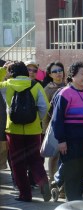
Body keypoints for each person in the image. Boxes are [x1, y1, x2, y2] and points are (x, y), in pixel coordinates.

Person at [0, 61, 50, 202]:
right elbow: (44, 106)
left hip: (13, 129)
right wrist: (36, 119)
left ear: (12, 72)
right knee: (35, 159)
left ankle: (25, 194)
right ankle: (43, 183)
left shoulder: (6, 85)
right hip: (33, 130)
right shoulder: (36, 85)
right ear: (25, 72)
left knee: (17, 162)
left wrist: (3, 71)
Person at [50, 61, 83, 201]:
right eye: (82, 74)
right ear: (73, 75)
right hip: (70, 140)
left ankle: (62, 186)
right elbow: (56, 119)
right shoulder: (65, 93)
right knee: (72, 170)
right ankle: (73, 202)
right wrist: (61, 140)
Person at [42, 61, 66, 184]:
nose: (58, 74)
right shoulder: (47, 89)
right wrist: (46, 129)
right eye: (54, 72)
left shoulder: (68, 86)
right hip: (53, 126)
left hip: (68, 126)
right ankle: (53, 181)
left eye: (60, 70)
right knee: (54, 155)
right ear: (50, 75)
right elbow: (45, 112)